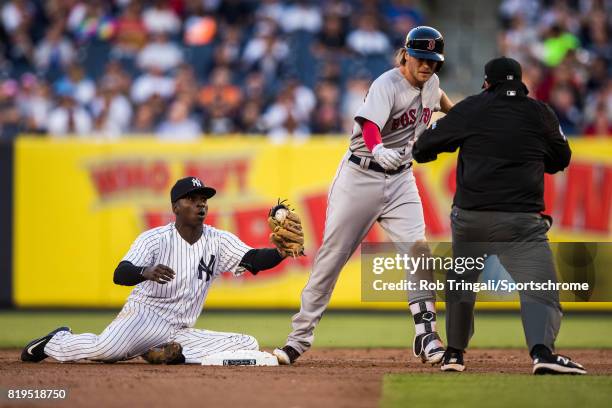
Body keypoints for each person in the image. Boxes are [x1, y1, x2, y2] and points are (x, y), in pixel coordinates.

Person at [273, 26, 454, 365]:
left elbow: (448, 108)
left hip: (401, 180)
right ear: (406, 54)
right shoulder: (387, 83)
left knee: (419, 251)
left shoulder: (432, 85)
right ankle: (298, 339)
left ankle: (427, 335)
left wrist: (466, 122)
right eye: (421, 58)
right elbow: (369, 125)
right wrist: (377, 147)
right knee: (331, 258)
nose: (427, 66)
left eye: (433, 60)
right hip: (361, 175)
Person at [413, 56, 586, 375]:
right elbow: (561, 158)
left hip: (471, 218)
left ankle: (453, 354)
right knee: (539, 288)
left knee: (461, 284)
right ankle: (542, 351)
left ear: (487, 83)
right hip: (521, 221)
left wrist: (453, 144)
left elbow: (422, 148)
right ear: (520, 83)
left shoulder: (471, 108)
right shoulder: (540, 112)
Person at [21, 176, 301, 365]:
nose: (201, 203)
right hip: (143, 317)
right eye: (192, 198)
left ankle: (164, 355)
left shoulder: (219, 240)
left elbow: (253, 259)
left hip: (179, 331)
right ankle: (56, 342)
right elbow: (120, 273)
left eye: (204, 198)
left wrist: (279, 253)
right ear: (175, 207)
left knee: (247, 342)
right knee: (105, 350)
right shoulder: (155, 238)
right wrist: (145, 272)